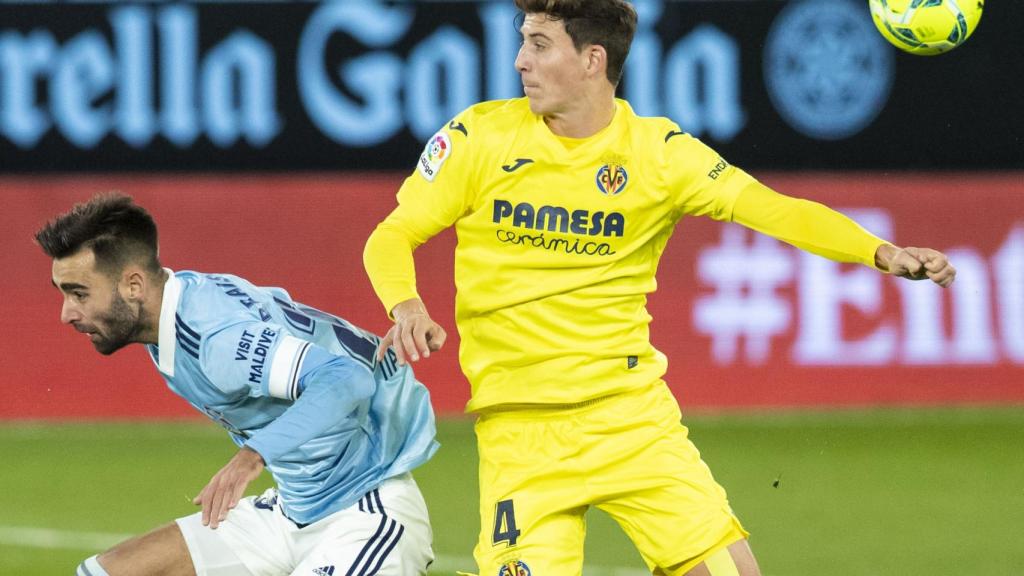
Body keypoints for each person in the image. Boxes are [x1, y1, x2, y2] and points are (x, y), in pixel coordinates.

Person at [362, 0, 957, 575]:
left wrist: (880, 252)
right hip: (521, 436)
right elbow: (391, 236)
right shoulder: (479, 137)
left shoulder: (660, 154)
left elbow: (774, 210)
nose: (520, 59)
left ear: (593, 60)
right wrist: (406, 302)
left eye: (539, 45)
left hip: (632, 421)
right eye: (523, 41)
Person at [37, 193, 439, 576]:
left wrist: (252, 456)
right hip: (289, 513)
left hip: (364, 511)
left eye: (79, 294)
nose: (66, 314)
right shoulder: (175, 307)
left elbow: (347, 379)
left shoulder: (214, 339)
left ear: (133, 285)